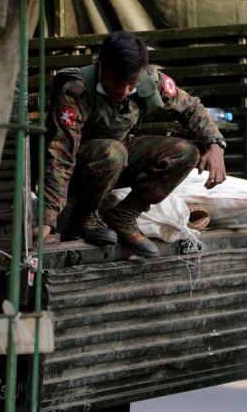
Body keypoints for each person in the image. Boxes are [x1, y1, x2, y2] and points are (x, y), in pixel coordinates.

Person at [40, 31, 228, 256]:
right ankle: (84, 218)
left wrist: (215, 144)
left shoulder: (150, 80)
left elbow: (190, 107)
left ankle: (125, 215)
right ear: (100, 67)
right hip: (79, 172)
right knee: (113, 152)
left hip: (117, 163)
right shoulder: (75, 90)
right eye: (118, 83)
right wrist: (47, 217)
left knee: (187, 152)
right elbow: (60, 155)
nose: (125, 91)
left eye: (133, 84)